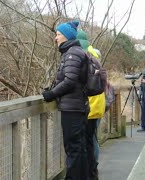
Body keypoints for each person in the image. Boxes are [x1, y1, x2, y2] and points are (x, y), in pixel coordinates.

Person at [42, 21, 89, 180]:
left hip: (72, 108)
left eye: (58, 34)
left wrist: (51, 94)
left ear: (67, 36)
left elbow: (70, 81)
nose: (56, 38)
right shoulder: (75, 52)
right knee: (79, 148)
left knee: (73, 149)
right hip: (77, 106)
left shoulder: (72, 53)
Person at [76, 29, 105, 180]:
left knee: (88, 141)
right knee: (93, 138)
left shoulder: (84, 57)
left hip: (90, 105)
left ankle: (90, 170)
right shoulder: (95, 56)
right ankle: (94, 168)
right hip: (98, 104)